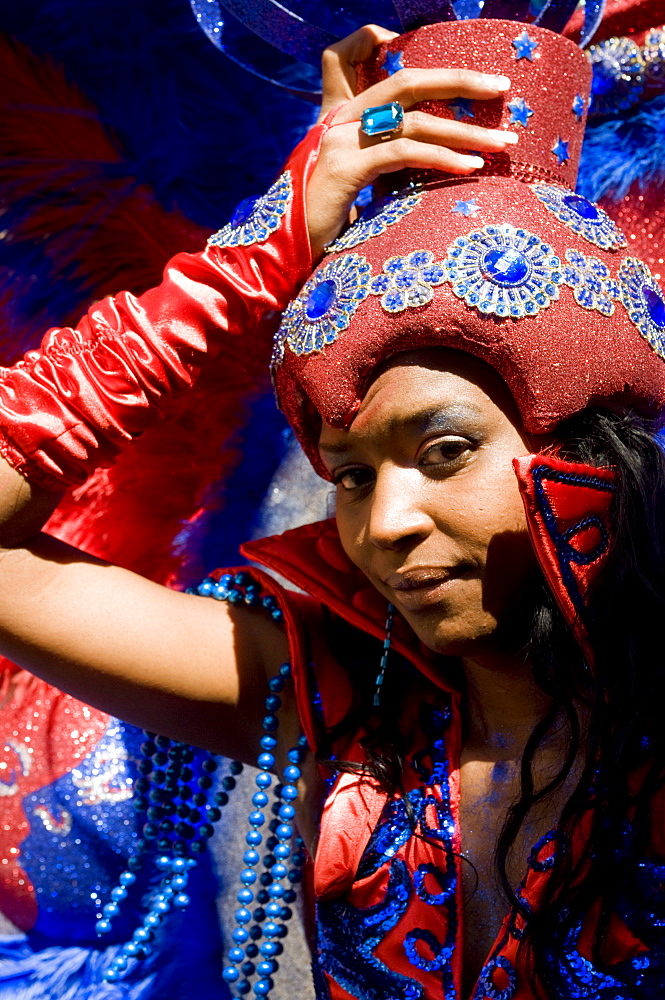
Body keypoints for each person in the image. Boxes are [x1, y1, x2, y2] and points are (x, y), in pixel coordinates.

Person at [0, 9, 662, 1000]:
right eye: (350, 475)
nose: (383, 525)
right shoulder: (338, 696)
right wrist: (256, 255)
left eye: (443, 450)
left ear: (584, 452)